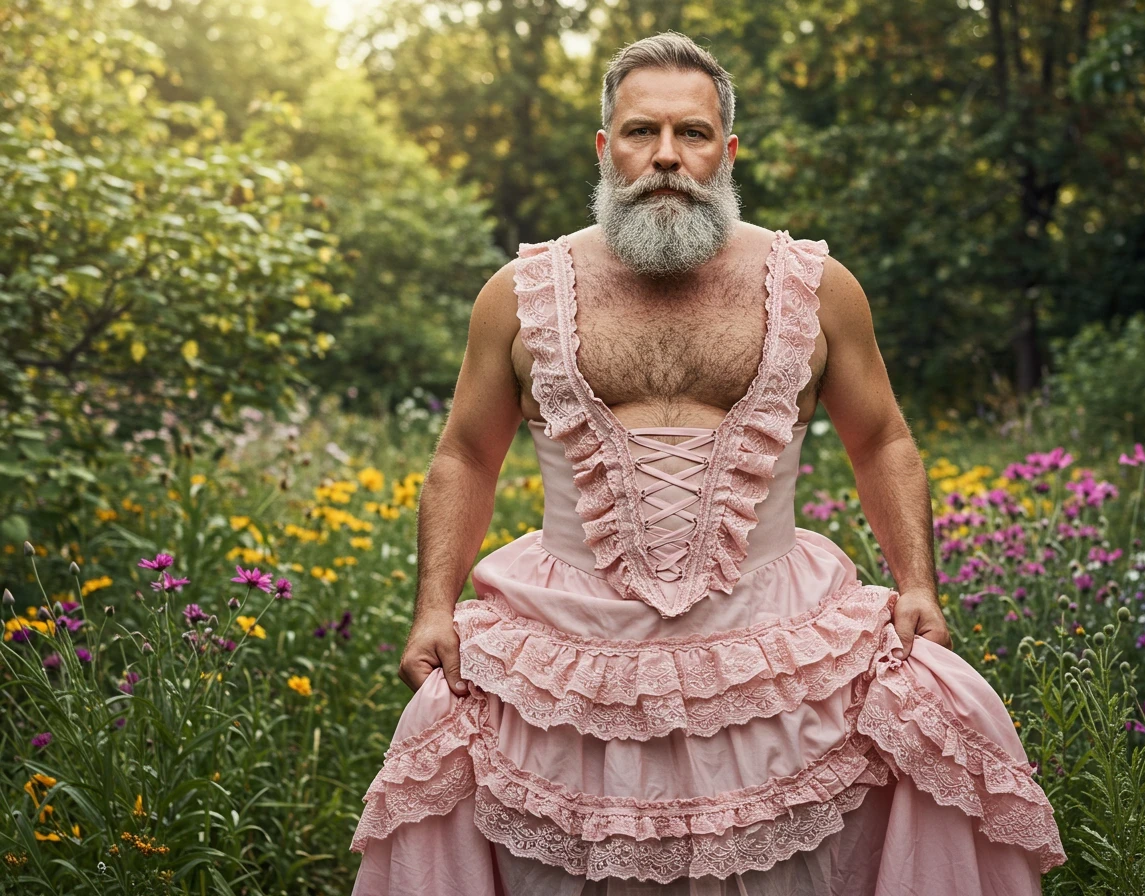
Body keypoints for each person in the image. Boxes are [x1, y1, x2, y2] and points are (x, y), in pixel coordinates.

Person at [349, 30, 1066, 896]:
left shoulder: (815, 285)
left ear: (726, 151)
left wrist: (918, 586)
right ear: (605, 147)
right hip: (564, 651)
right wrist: (434, 606)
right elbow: (466, 453)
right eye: (641, 132)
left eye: (691, 134)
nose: (665, 156)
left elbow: (883, 440)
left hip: (779, 644)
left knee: (936, 713)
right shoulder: (519, 293)